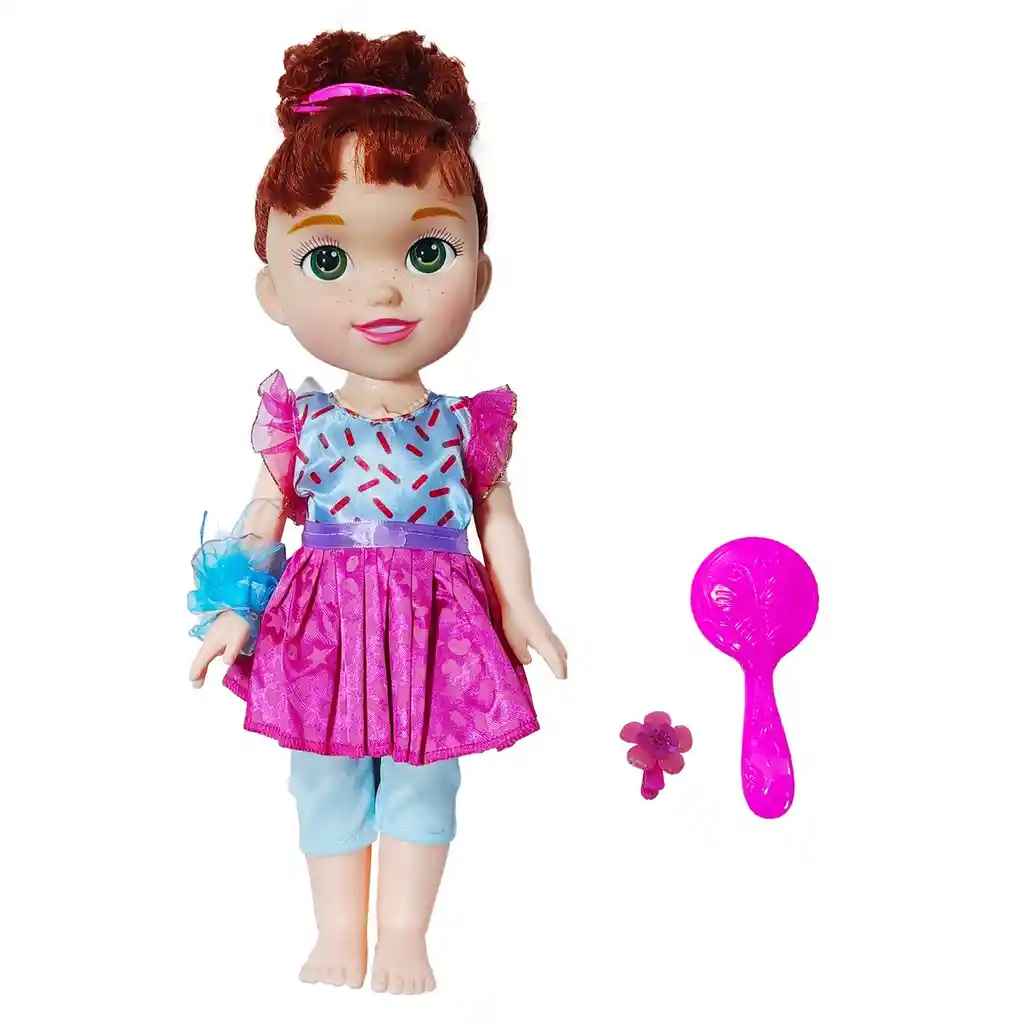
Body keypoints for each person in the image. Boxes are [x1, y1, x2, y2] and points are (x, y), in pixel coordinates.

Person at [187, 27, 566, 995]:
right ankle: (335, 930)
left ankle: (403, 932)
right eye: (328, 260)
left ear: (480, 275)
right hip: (322, 619)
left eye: (427, 250)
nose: (385, 287)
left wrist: (521, 604)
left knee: (426, 771)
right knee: (321, 768)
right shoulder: (303, 419)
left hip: (437, 619)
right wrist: (234, 604)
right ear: (273, 290)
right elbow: (266, 511)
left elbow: (497, 517)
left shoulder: (466, 424)